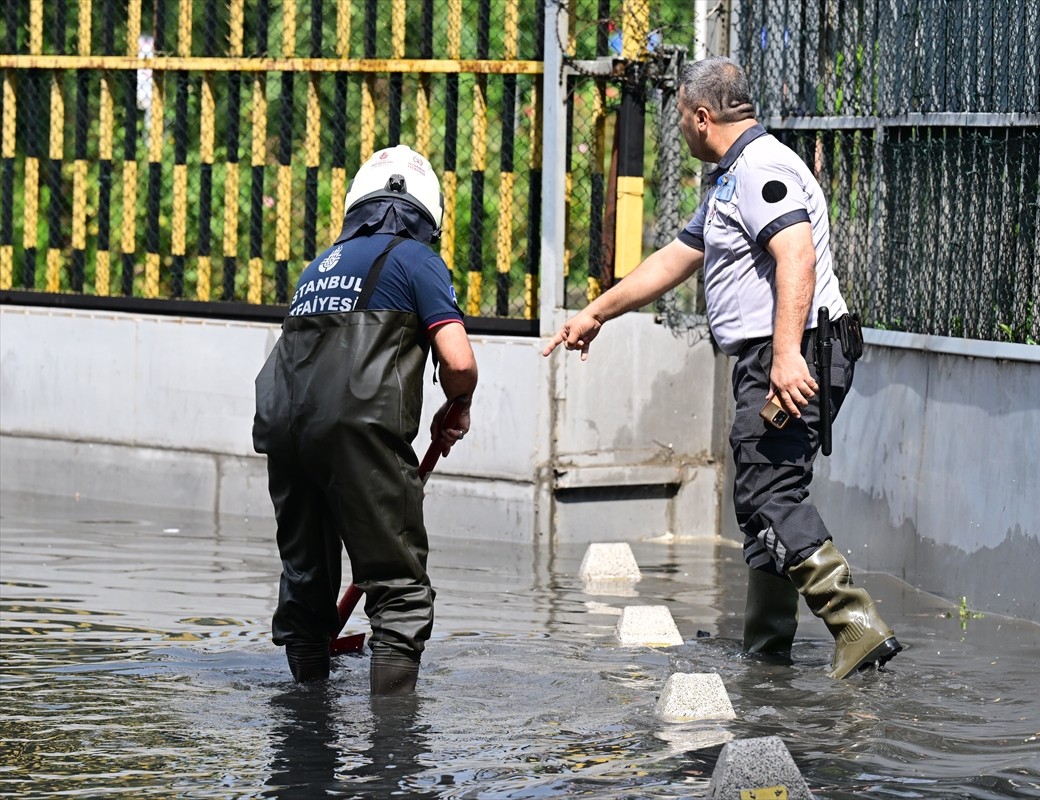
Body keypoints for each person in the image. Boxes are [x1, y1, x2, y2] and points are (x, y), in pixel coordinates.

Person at [542, 57, 901, 679]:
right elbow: (674, 259)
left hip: (791, 349)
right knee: (760, 493)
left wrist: (786, 355)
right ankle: (767, 647)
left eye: (681, 116)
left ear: (702, 117)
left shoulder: (762, 168)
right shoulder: (728, 179)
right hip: (774, 352)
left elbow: (797, 256)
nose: (680, 128)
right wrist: (596, 312)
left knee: (769, 490)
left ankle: (856, 625)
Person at [253, 144, 477, 693]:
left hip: (282, 425)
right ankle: (394, 753)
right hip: (359, 429)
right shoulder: (417, 260)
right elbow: (459, 359)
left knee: (308, 577)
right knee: (398, 586)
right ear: (427, 214)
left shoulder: (319, 265)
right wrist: (457, 403)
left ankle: (305, 711)